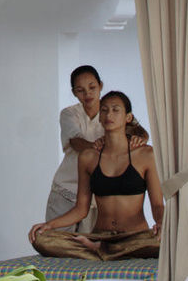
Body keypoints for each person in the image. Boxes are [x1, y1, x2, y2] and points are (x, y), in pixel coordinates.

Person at [28, 89, 163, 261]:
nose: (109, 115)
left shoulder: (145, 155)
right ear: (99, 117)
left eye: (115, 110)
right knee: (41, 239)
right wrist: (49, 225)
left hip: (135, 237)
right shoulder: (88, 157)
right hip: (100, 236)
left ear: (128, 117)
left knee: (163, 240)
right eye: (104, 110)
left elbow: (158, 205)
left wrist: (161, 224)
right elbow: (81, 209)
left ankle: (100, 252)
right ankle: (104, 249)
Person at [43, 64, 146, 223]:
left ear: (101, 85)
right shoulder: (70, 114)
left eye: (92, 87)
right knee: (57, 242)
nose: (87, 94)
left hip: (98, 196)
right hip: (67, 189)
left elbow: (140, 131)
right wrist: (99, 146)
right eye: (80, 90)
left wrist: (139, 140)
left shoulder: (112, 110)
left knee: (91, 245)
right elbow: (76, 142)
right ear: (73, 92)